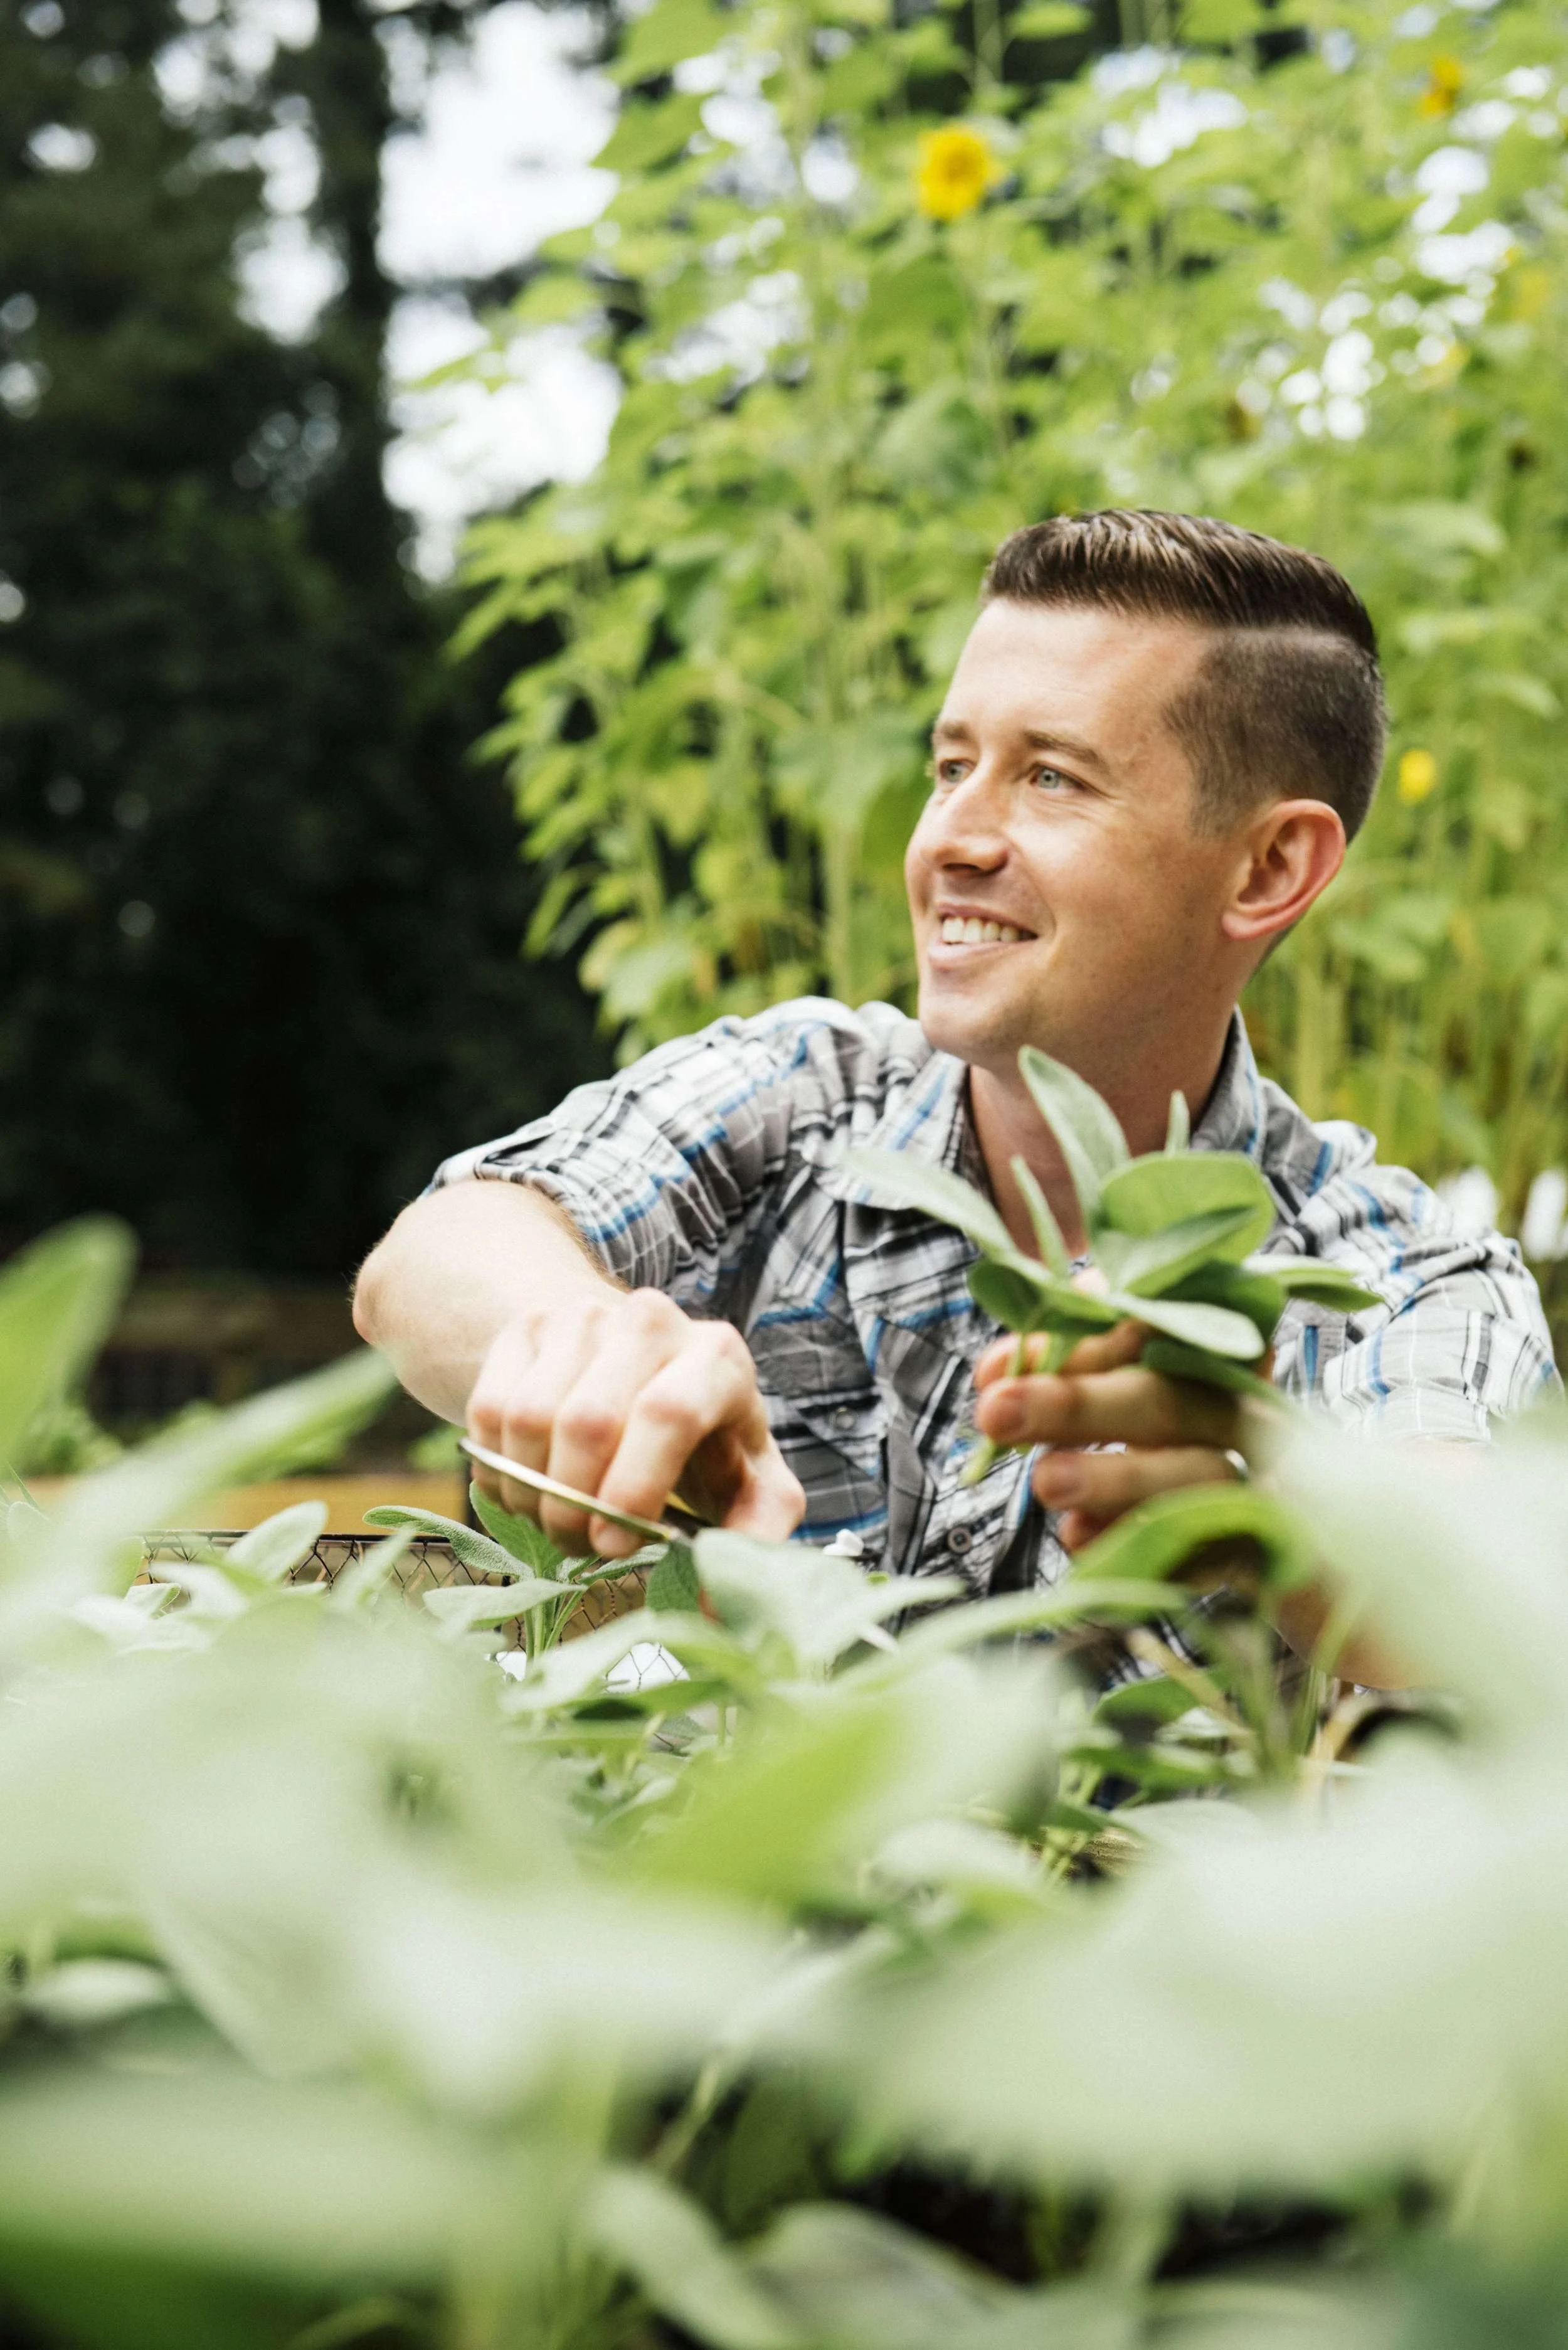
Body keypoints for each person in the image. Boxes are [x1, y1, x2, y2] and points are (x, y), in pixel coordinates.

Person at [354, 511, 1557, 1626]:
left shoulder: (1403, 1279)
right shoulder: (804, 1091)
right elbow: (436, 1257)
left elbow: (1464, 1593)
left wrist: (1265, 1519)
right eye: (951, 766)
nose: (952, 841)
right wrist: (595, 1353)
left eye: (1051, 777)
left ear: (1268, 870)